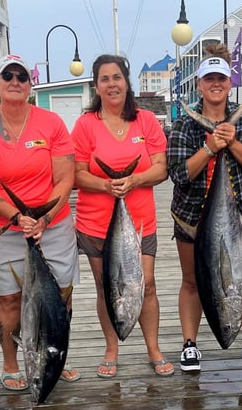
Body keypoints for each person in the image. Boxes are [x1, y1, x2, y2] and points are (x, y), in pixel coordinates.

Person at [0, 54, 81, 391]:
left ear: (30, 84)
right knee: (8, 298)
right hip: (4, 227)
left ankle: (54, 355)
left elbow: (65, 178)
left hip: (53, 223)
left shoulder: (51, 123)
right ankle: (10, 361)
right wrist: (18, 217)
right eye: (8, 76)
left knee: (60, 295)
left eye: (21, 76)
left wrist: (44, 218)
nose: (15, 81)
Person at [167, 44, 242, 373]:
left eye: (222, 78)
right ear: (199, 83)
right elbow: (179, 173)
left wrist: (233, 142)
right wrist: (210, 146)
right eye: (209, 78)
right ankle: (190, 344)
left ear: (231, 83)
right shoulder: (185, 125)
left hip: (240, 215)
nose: (216, 84)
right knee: (192, 282)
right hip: (192, 219)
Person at [71, 54, 173, 379]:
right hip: (95, 222)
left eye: (117, 77)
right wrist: (105, 184)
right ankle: (111, 347)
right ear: (96, 85)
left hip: (140, 221)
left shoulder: (147, 121)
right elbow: (77, 174)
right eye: (105, 78)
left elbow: (161, 169)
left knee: (148, 285)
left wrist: (135, 180)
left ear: (127, 82)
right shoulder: (86, 125)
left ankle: (153, 347)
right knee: (107, 288)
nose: (112, 84)